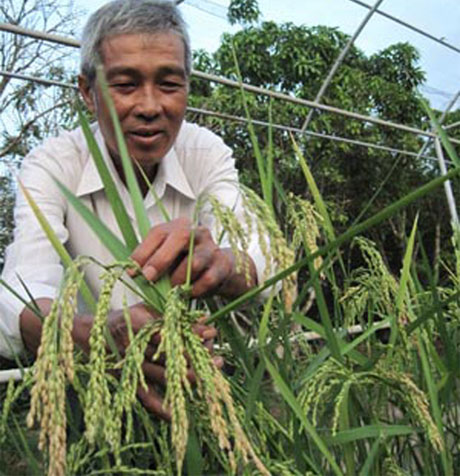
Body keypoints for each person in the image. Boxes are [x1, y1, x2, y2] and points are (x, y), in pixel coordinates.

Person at [0, 0, 268, 417]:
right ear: (88, 92)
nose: (149, 106)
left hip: (202, 380)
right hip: (90, 388)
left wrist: (220, 264)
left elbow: (257, 257)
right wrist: (95, 336)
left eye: (169, 84)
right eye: (125, 85)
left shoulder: (205, 152)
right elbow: (22, 290)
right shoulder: (53, 164)